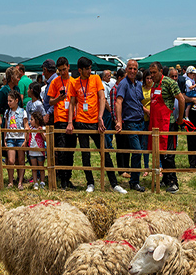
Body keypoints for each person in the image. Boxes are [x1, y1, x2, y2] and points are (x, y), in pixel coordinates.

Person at [70, 57, 125, 194]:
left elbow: (102, 98)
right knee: (85, 154)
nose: (89, 71)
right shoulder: (75, 83)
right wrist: (71, 122)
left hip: (95, 122)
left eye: (90, 68)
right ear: (80, 70)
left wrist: (100, 117)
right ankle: (90, 183)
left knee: (104, 152)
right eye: (87, 69)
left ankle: (114, 183)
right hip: (81, 122)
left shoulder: (95, 79)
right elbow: (72, 103)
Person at [146, 61, 183, 193]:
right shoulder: (155, 84)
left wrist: (180, 118)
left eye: (154, 72)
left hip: (168, 123)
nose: (152, 75)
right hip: (156, 124)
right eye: (151, 73)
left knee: (168, 155)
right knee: (161, 153)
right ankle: (166, 179)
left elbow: (181, 99)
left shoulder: (168, 82)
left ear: (161, 71)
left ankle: (174, 182)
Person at [115, 59, 147, 192]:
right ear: (126, 69)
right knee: (137, 151)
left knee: (139, 151)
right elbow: (118, 102)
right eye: (130, 68)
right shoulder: (123, 84)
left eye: (135, 69)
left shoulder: (138, 84)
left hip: (140, 122)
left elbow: (138, 102)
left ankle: (135, 179)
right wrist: (118, 121)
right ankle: (134, 181)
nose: (133, 71)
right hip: (130, 123)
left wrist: (146, 111)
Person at [47, 57, 76, 189]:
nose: (62, 72)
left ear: (68, 67)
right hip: (60, 120)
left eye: (64, 69)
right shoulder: (55, 82)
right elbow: (50, 101)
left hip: (73, 119)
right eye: (60, 70)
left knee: (71, 151)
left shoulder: (74, 82)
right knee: (62, 150)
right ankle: (62, 179)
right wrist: (59, 98)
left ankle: (68, 177)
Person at [3, 90, 27, 189]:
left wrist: (26, 140)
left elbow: (26, 126)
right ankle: (10, 181)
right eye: (8, 101)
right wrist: (4, 139)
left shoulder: (23, 112)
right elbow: (5, 126)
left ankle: (20, 181)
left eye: (10, 101)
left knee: (21, 160)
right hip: (10, 138)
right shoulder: (7, 112)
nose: (8, 103)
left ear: (16, 100)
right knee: (11, 160)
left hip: (20, 138)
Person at [27, 110, 46, 188]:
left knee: (41, 167)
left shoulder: (43, 128)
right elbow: (28, 139)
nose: (30, 121)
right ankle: (35, 182)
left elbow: (45, 139)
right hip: (32, 150)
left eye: (32, 119)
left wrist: (41, 132)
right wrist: (28, 132)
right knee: (34, 168)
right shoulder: (31, 129)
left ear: (37, 120)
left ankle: (42, 181)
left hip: (40, 151)